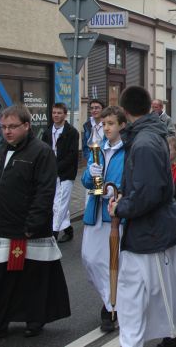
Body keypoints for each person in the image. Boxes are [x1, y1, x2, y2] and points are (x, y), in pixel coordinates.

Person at [0, 104, 70, 341]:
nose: (7, 131)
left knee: (32, 278)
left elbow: (45, 190)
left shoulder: (41, 152)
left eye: (12, 127)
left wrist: (34, 222)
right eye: (3, 127)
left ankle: (34, 320)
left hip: (28, 229)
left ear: (26, 126)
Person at [109, 86, 176, 347]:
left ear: (125, 111)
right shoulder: (148, 135)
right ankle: (175, 329)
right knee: (161, 291)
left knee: (132, 298)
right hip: (155, 227)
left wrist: (120, 208)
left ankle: (142, 339)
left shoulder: (144, 142)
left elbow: (148, 193)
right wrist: (126, 194)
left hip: (150, 230)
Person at [81, 106, 126, 333]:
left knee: (112, 262)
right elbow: (86, 182)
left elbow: (128, 182)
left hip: (114, 217)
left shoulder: (127, 152)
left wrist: (115, 191)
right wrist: (91, 173)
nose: (107, 127)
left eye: (111, 124)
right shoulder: (97, 149)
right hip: (95, 211)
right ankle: (110, 300)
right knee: (89, 258)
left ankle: (111, 307)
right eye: (105, 124)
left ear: (121, 126)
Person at [42, 103, 79, 243]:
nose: (56, 115)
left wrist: (56, 168)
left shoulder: (72, 132)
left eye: (59, 113)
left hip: (65, 174)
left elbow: (72, 155)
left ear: (65, 114)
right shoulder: (47, 132)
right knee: (56, 203)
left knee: (59, 205)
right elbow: (44, 151)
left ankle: (53, 235)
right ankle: (68, 230)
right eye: (54, 113)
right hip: (51, 173)